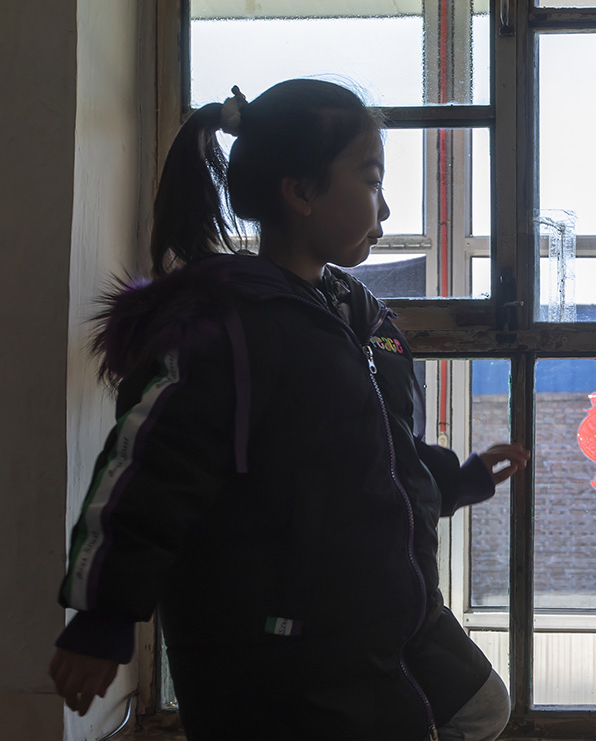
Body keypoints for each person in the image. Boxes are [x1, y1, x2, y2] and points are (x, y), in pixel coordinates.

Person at [47, 79, 528, 741]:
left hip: (377, 613)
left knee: (480, 706)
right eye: (368, 178)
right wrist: (105, 614)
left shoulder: (357, 314)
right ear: (300, 193)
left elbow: (374, 455)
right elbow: (149, 469)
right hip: (281, 650)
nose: (384, 206)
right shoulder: (225, 326)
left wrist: (456, 480)